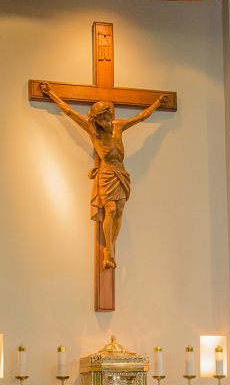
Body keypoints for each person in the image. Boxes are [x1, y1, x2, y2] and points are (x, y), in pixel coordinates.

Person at [40, 84, 165, 269]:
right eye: (99, 120)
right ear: (95, 121)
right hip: (107, 172)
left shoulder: (119, 126)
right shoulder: (94, 132)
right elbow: (69, 112)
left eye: (104, 118)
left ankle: (111, 245)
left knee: (120, 208)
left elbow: (141, 117)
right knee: (111, 209)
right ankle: (110, 250)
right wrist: (51, 94)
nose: (103, 122)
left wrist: (157, 103)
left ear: (108, 115)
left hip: (120, 171)